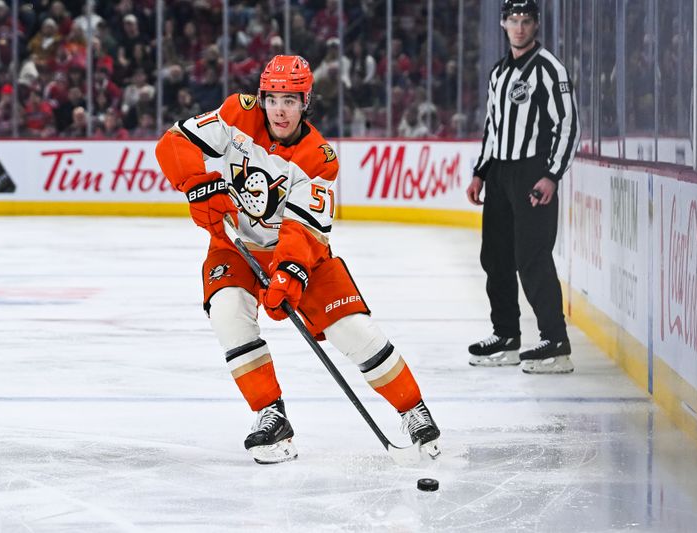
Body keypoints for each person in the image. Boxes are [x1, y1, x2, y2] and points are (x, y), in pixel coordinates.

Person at [155, 55, 440, 464]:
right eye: (272, 99)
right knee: (228, 311)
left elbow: (302, 230)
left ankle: (413, 409)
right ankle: (271, 415)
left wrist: (288, 275)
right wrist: (198, 185)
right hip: (236, 246)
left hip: (303, 255)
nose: (279, 110)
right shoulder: (238, 113)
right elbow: (174, 141)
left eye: (290, 100)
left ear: (306, 102)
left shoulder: (319, 157)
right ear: (261, 98)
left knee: (352, 330)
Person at [465, 0, 581, 374]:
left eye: (526, 21)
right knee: (495, 256)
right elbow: (492, 127)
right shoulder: (498, 73)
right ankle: (506, 335)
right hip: (500, 174)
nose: (519, 27)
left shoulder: (549, 69)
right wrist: (481, 172)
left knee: (532, 257)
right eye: (513, 20)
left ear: (536, 24)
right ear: (503, 24)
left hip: (533, 172)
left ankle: (555, 341)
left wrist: (551, 175)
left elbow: (568, 126)